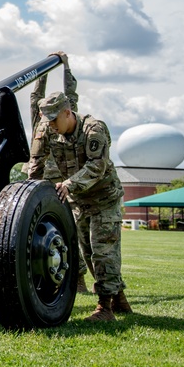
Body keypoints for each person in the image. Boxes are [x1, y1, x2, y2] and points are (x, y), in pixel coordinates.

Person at [26, 91, 132, 322]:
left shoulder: (93, 129)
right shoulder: (47, 130)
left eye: (55, 119)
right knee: (89, 253)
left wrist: (70, 183)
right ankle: (119, 298)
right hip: (79, 201)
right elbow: (36, 165)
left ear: (68, 112)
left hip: (104, 198)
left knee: (104, 251)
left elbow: (98, 166)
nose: (51, 125)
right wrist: (28, 198)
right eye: (48, 120)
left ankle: (105, 308)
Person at [28, 52, 91, 294]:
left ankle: (79, 278)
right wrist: (42, 71)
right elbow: (36, 96)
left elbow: (70, 93)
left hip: (63, 179)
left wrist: (66, 66)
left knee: (70, 227)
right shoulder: (40, 118)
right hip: (41, 178)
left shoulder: (67, 114)